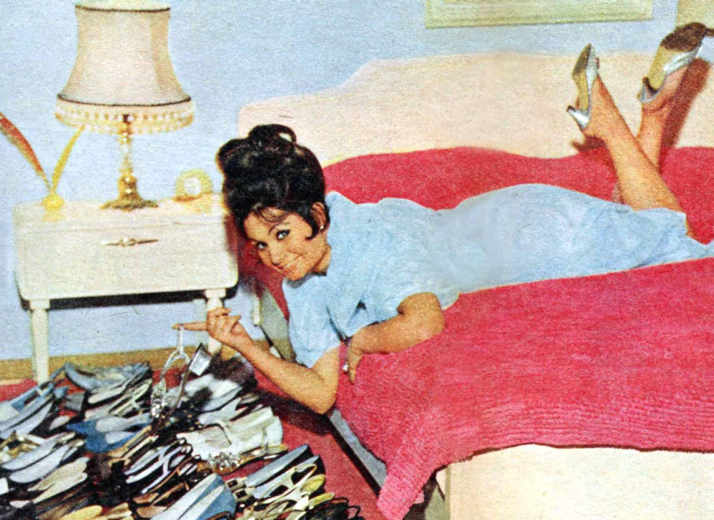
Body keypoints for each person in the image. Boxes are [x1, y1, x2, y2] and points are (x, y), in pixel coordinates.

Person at [182, 25, 714, 416]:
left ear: (317, 215)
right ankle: (641, 119)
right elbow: (321, 395)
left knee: (683, 252)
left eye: (281, 234)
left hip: (529, 238)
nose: (275, 256)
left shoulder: (371, 243)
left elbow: (424, 321)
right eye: (260, 245)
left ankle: (615, 124)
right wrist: (246, 345)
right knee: (653, 232)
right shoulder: (304, 277)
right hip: (499, 236)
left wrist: (365, 339)